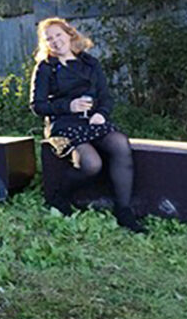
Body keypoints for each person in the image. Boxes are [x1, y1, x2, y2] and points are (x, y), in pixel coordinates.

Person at [31, 17, 144, 233]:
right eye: (49, 39)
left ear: (69, 34)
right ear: (45, 44)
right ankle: (59, 196)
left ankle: (124, 211)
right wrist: (68, 105)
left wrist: (101, 113)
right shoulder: (46, 68)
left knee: (120, 143)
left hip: (92, 121)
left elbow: (106, 97)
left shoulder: (90, 63)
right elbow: (37, 105)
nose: (55, 41)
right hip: (63, 124)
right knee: (91, 164)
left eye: (58, 35)